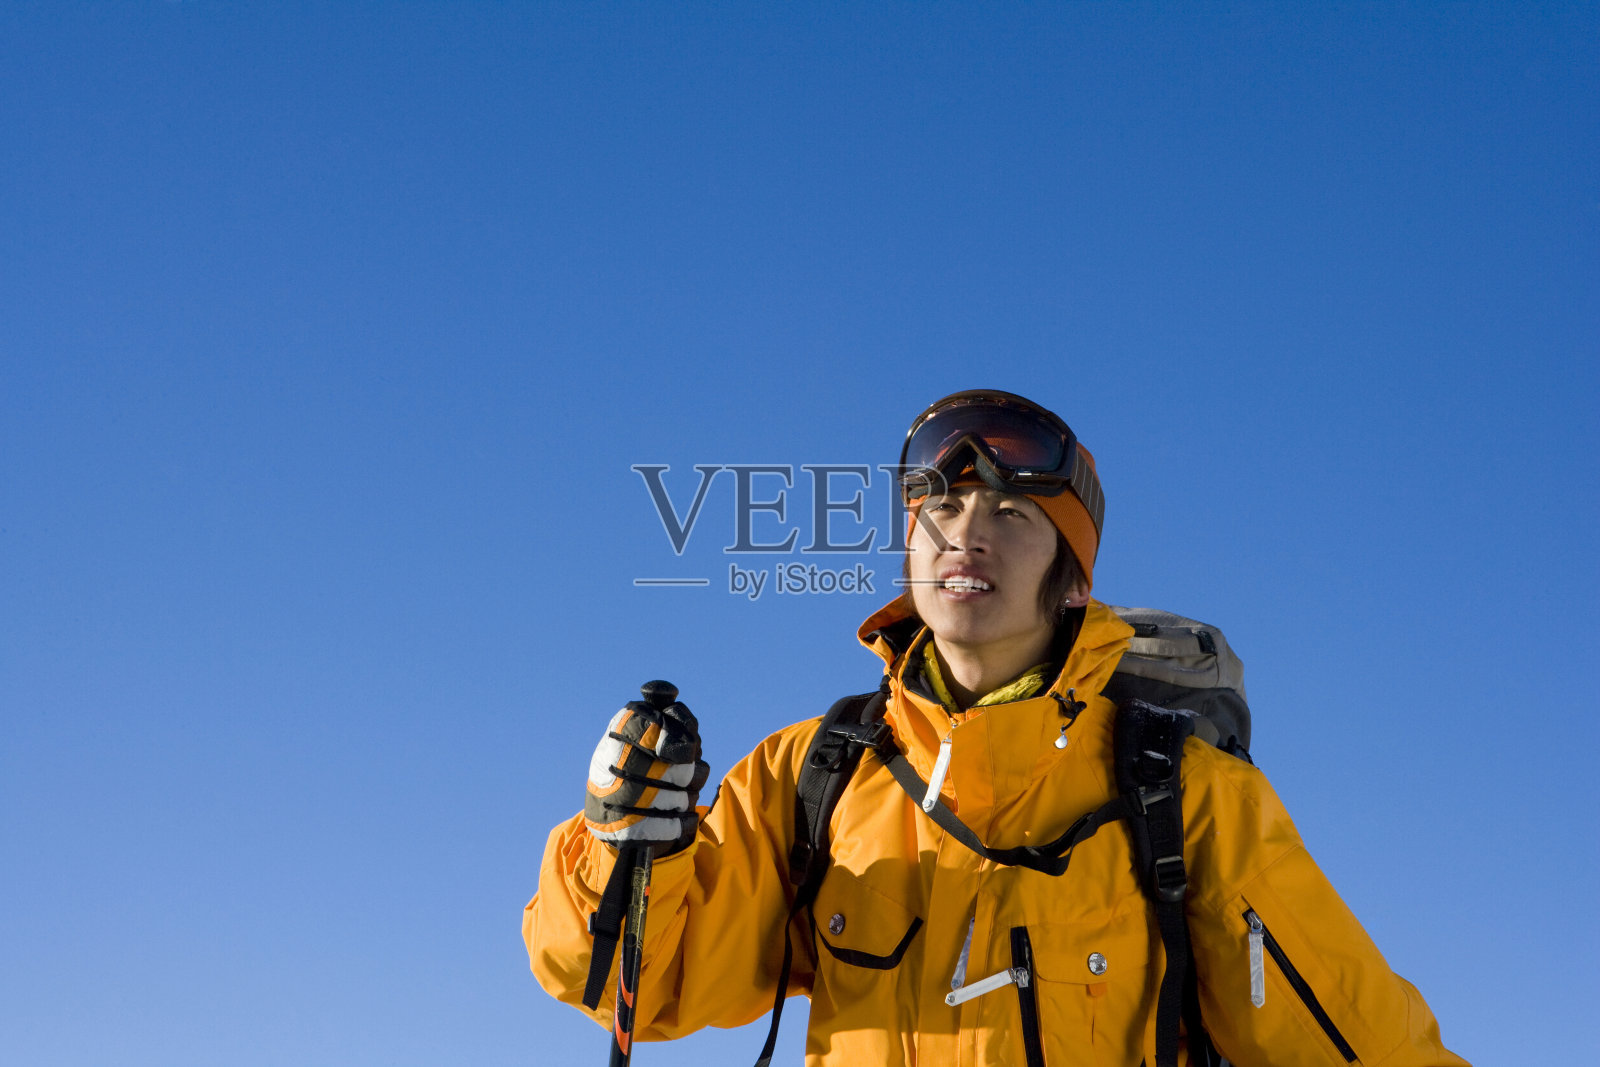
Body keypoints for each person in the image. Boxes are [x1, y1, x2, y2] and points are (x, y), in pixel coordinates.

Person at [524, 390, 1468, 1066]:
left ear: (1074, 578)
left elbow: (1354, 1038)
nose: (964, 533)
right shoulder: (811, 774)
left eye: (1011, 513)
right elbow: (641, 986)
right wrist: (627, 847)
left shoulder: (1184, 792)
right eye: (940, 505)